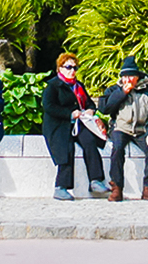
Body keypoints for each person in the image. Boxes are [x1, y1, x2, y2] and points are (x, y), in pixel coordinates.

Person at [40, 53, 109, 200]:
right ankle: (60, 187)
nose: (72, 71)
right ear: (60, 69)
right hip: (58, 125)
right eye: (68, 67)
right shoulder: (53, 85)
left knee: (89, 141)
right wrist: (70, 114)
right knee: (66, 149)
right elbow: (49, 107)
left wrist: (90, 110)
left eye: (75, 68)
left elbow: (89, 103)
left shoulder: (79, 86)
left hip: (79, 124)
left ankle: (96, 180)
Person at [98, 56, 148, 202]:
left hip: (142, 129)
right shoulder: (114, 89)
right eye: (125, 76)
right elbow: (104, 108)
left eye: (131, 76)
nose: (128, 80)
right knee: (118, 148)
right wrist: (122, 93)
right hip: (121, 128)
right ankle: (117, 188)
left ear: (137, 77)